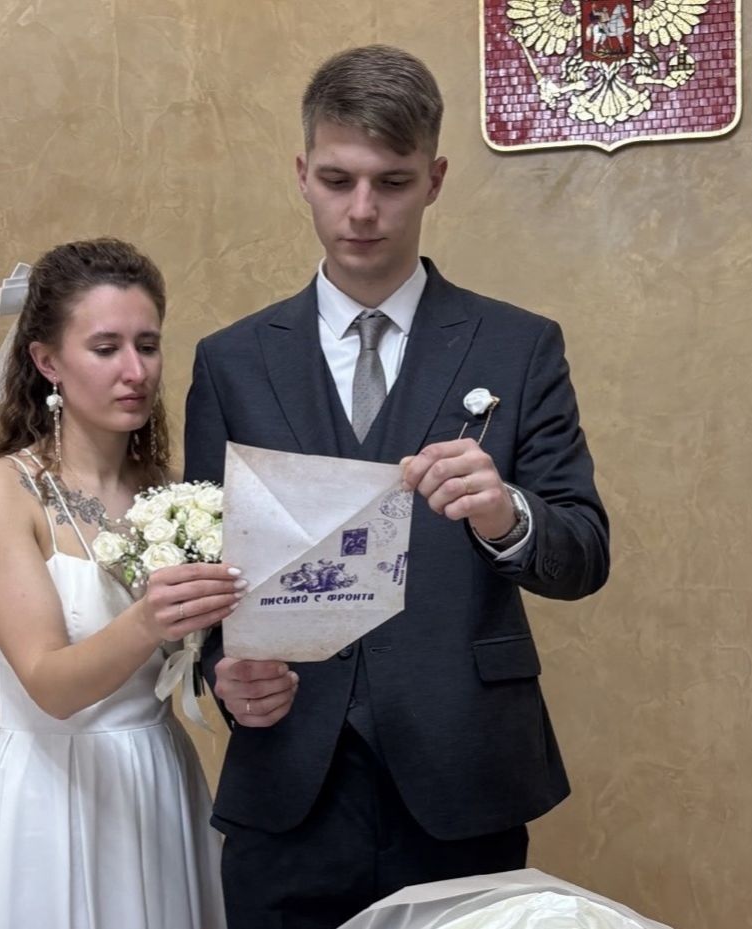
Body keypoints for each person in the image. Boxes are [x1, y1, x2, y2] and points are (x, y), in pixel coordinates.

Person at [183, 45, 610, 929]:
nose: (362, 210)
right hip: (286, 780)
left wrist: (506, 513)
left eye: (392, 181)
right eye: (337, 179)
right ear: (301, 174)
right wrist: (222, 670)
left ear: (435, 179)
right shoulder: (230, 362)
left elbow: (584, 553)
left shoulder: (518, 346)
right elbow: (202, 570)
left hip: (463, 774)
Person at [0, 238, 235, 929]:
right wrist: (147, 619)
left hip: (158, 783)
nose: (135, 371)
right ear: (47, 361)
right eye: (106, 348)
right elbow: (49, 685)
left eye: (148, 345)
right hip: (51, 796)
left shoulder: (176, 496)